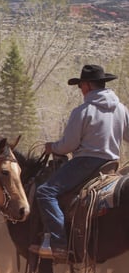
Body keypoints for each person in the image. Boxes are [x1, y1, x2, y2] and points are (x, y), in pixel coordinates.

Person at [30, 64, 129, 260]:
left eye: (80, 85)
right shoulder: (121, 109)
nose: (80, 90)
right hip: (110, 165)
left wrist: (52, 147)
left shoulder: (83, 110)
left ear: (88, 85)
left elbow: (68, 145)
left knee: (45, 192)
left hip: (85, 163)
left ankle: (58, 244)